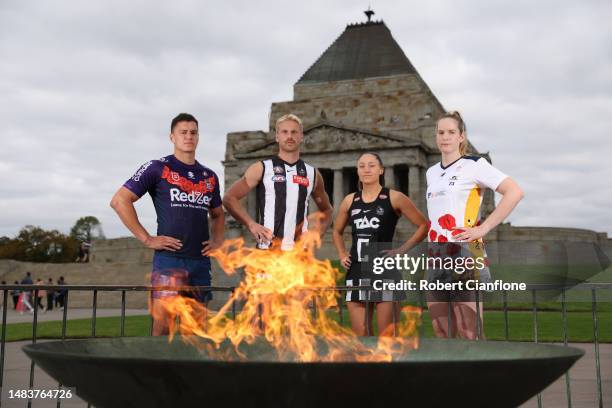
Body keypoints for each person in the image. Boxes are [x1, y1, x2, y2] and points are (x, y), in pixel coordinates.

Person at [111, 113, 224, 336]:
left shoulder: (209, 176)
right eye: (183, 132)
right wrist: (147, 238)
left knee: (197, 329)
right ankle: (157, 371)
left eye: (193, 132)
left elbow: (218, 214)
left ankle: (191, 371)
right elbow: (119, 200)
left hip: (200, 262)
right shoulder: (157, 168)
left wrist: (218, 241)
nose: (188, 136)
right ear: (172, 136)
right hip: (169, 260)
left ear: (198, 137)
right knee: (162, 327)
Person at [425, 111, 524, 339]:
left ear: (462, 137)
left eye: (451, 132)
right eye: (441, 132)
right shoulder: (431, 173)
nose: (445, 137)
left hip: (468, 251)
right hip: (435, 254)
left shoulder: (474, 164)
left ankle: (482, 375)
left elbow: (514, 192)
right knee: (442, 331)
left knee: (469, 330)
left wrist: (483, 228)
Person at [333, 153, 428, 336]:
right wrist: (342, 253)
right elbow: (337, 231)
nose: (366, 169)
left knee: (388, 338)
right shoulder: (350, 200)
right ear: (358, 171)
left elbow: (423, 226)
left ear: (381, 170)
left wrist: (401, 250)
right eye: (362, 166)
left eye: (371, 165)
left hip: (384, 270)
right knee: (361, 337)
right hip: (357, 269)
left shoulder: (394, 197)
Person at [223, 114, 333, 250]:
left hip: (298, 254)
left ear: (301, 136)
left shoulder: (312, 173)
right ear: (277, 136)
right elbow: (229, 198)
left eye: (294, 132)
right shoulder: (262, 168)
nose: (290, 136)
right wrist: (251, 224)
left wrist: (316, 234)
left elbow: (327, 210)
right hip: (267, 252)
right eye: (284, 132)